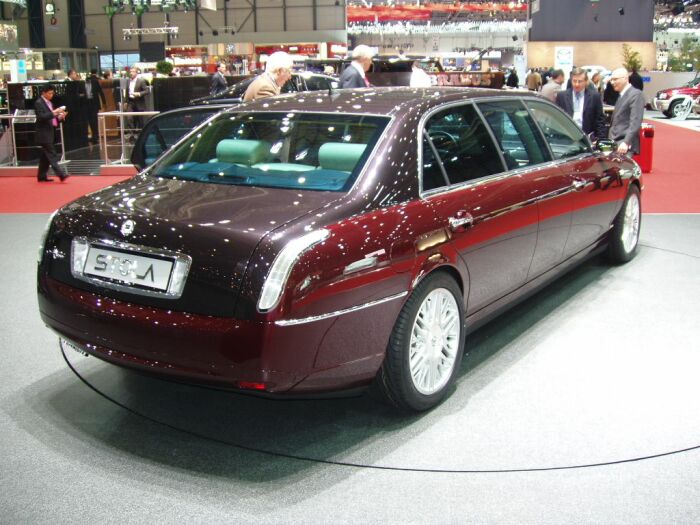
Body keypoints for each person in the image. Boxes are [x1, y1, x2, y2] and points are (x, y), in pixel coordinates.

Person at [555, 67, 606, 140]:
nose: (577, 84)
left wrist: (601, 140)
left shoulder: (594, 97)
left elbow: (600, 121)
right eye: (574, 81)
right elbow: (557, 118)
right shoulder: (562, 96)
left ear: (586, 81)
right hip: (567, 138)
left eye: (580, 81)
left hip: (587, 138)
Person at [34, 84, 69, 182]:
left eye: (52, 93)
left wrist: (59, 117)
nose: (51, 95)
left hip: (50, 131)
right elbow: (41, 117)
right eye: (49, 93)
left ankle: (41, 176)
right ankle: (61, 174)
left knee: (45, 156)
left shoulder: (49, 103)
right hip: (43, 133)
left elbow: (52, 118)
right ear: (43, 93)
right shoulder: (39, 103)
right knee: (52, 154)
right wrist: (54, 112)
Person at [608, 67, 645, 156]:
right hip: (615, 142)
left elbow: (635, 122)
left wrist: (626, 142)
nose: (612, 82)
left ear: (625, 78)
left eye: (615, 79)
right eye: (611, 80)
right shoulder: (622, 95)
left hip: (624, 145)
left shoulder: (636, 94)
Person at [125, 67, 149, 142]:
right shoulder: (128, 81)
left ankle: (140, 134)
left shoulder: (141, 81)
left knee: (140, 120)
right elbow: (127, 92)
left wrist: (139, 93)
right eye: (130, 71)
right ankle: (132, 133)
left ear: (136, 73)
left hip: (139, 102)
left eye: (133, 72)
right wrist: (126, 102)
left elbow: (147, 90)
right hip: (131, 102)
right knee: (129, 117)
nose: (131, 73)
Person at [85, 69, 106, 145]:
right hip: (87, 105)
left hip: (94, 104)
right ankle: (93, 136)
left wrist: (104, 102)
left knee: (94, 120)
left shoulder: (94, 82)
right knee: (90, 120)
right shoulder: (85, 84)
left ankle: (95, 136)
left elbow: (100, 92)